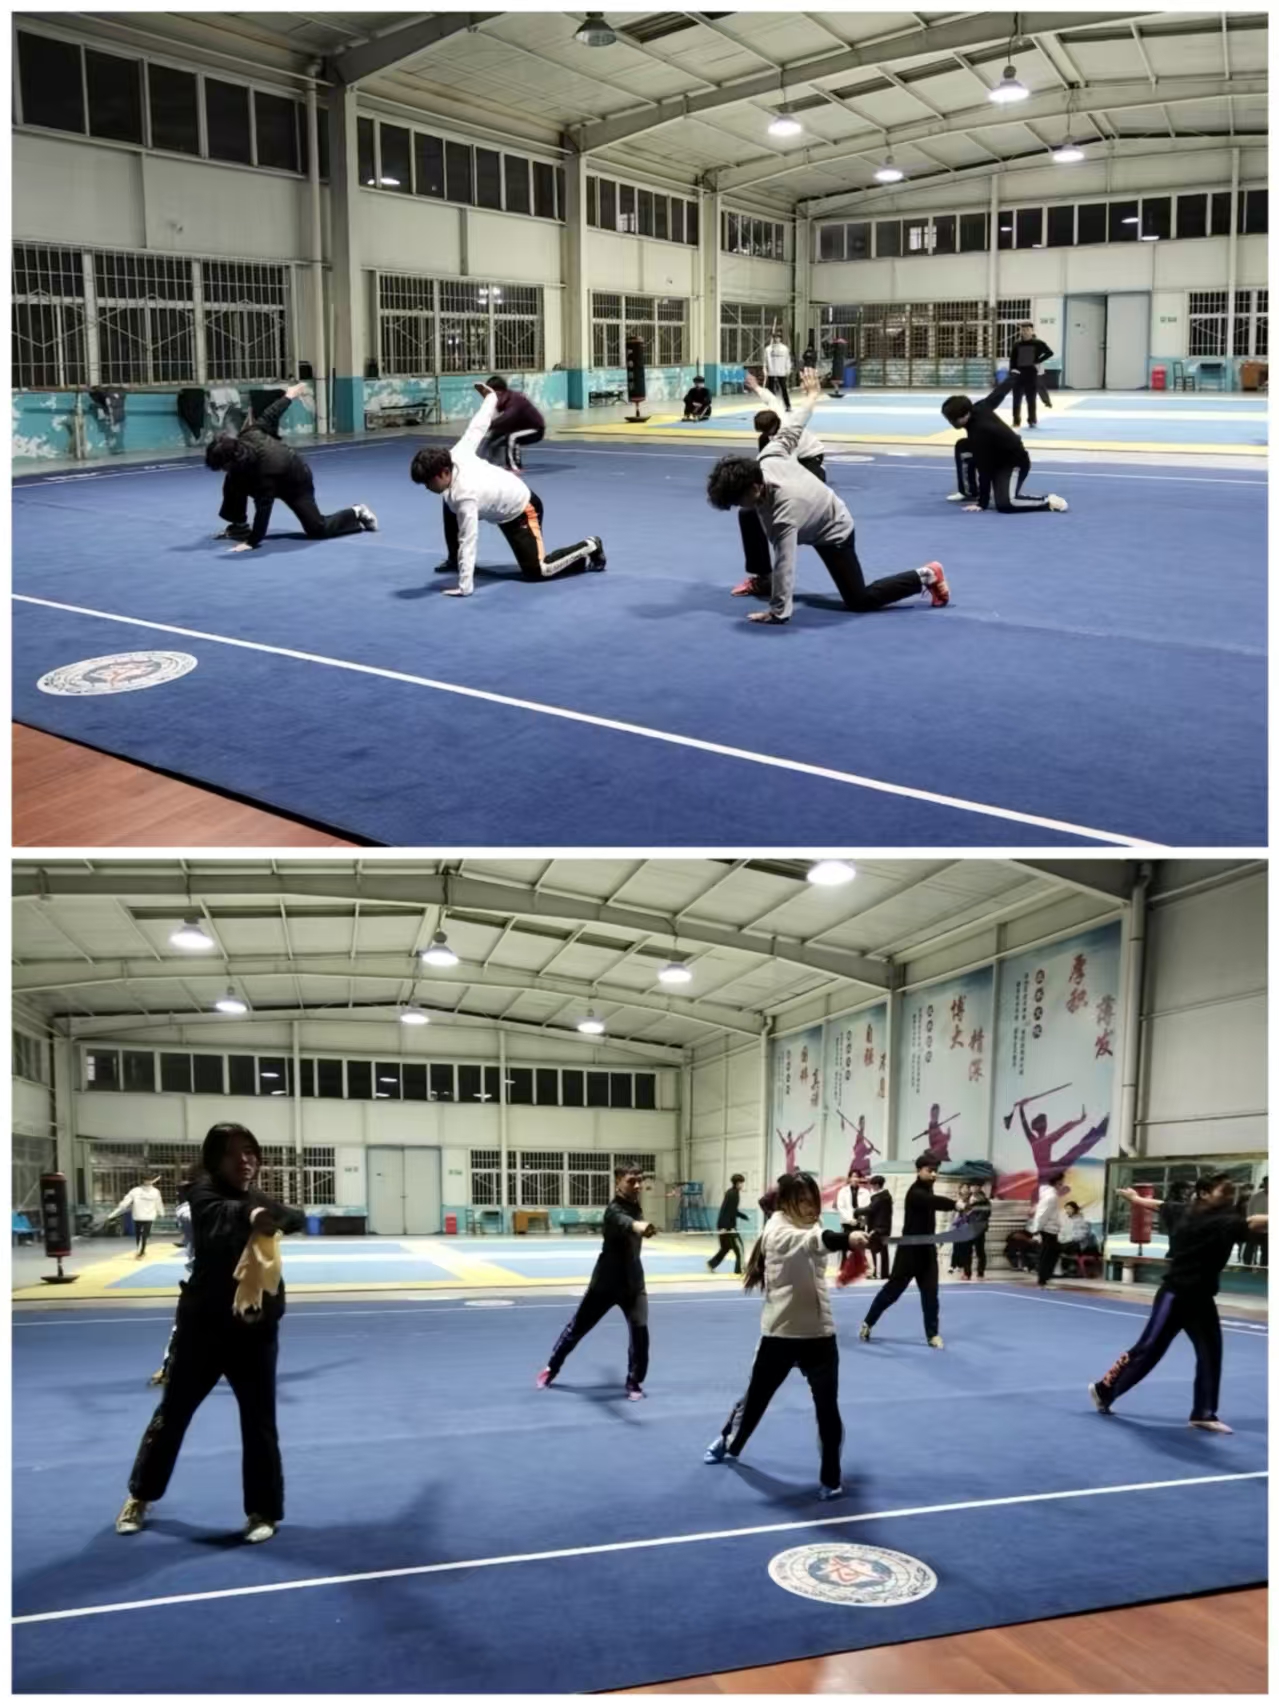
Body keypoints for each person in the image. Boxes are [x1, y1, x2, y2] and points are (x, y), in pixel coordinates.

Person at [115, 1123, 307, 1542]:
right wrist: (255, 1215)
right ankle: (140, 1495)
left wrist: (276, 1215)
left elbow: (295, 1218)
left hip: (254, 1332)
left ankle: (263, 1511)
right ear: (214, 1160)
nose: (245, 1160)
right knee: (172, 1416)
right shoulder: (201, 1196)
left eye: (250, 1151)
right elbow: (223, 1216)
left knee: (259, 1422)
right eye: (234, 1153)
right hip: (203, 1331)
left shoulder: (256, 1197)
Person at [707, 369, 949, 625]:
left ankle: (927, 575)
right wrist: (812, 395)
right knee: (748, 514)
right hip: (808, 508)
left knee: (859, 600)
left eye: (737, 499)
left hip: (832, 529)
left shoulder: (782, 515)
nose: (736, 504)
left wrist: (778, 612)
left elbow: (785, 564)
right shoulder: (770, 454)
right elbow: (795, 424)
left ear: (755, 487)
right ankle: (762, 579)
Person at [704, 1171, 866, 1499]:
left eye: (813, 1200)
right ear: (786, 1203)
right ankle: (729, 1442)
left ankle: (831, 1478)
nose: (811, 1207)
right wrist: (845, 1240)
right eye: (803, 1201)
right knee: (754, 1401)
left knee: (828, 1409)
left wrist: (854, 1242)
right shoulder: (776, 1230)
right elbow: (809, 1242)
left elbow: (817, 1239)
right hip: (780, 1335)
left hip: (820, 1335)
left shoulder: (811, 1226)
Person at [1090, 1175, 1269, 1432]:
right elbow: (1254, 1222)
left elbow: (1158, 1205)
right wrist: (1137, 1199)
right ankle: (1104, 1389)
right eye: (1224, 1191)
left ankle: (1203, 1413)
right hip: (1175, 1296)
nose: (1230, 1195)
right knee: (1147, 1349)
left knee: (1210, 1354)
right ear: (1204, 1193)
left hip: (1202, 1299)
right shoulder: (1219, 1221)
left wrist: (1136, 1199)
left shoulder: (1196, 1213)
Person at [412, 385, 604, 597]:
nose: (427, 487)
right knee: (448, 500)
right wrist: (491, 398)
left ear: (444, 472)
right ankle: (453, 559)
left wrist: (465, 586)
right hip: (495, 503)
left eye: (428, 482)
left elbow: (468, 540)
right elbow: (478, 424)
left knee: (537, 571)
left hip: (521, 509)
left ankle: (590, 546)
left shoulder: (465, 496)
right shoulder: (456, 454)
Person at [206, 383, 376, 549]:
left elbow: (263, 508)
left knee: (317, 529)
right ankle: (239, 526)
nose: (221, 470)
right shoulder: (249, 435)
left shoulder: (265, 472)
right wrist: (288, 396)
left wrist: (251, 542)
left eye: (222, 466)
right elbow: (269, 415)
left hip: (296, 483)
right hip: (269, 472)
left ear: (233, 458)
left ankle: (357, 512)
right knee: (233, 478)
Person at [538, 1164, 656, 1398]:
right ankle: (552, 1368)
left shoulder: (635, 1206)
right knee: (577, 1328)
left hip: (633, 1283)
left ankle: (634, 1381)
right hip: (605, 1284)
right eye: (631, 1181)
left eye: (640, 1180)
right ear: (618, 1181)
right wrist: (639, 1226)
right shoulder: (612, 1211)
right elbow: (624, 1222)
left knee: (640, 1332)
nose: (637, 1185)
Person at [859, 1152, 956, 1347]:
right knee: (891, 1293)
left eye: (936, 1171)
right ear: (919, 1170)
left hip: (927, 1251)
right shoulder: (915, 1193)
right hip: (909, 1253)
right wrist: (955, 1204)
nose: (934, 1174)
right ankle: (868, 1323)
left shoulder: (927, 1189)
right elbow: (933, 1201)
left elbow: (932, 1200)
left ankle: (932, 1335)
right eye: (930, 1170)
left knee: (931, 1296)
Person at [941, 380, 1068, 515]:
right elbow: (997, 394)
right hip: (996, 455)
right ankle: (969, 492)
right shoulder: (980, 407)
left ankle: (1047, 501)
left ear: (966, 414)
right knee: (963, 447)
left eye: (954, 420)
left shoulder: (980, 432)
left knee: (1006, 504)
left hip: (1014, 463)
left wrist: (982, 503)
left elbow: (984, 469)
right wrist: (1013, 377)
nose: (952, 423)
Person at [149, 1164, 199, 1386]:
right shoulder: (186, 1211)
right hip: (202, 1278)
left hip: (235, 1278)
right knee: (184, 1326)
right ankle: (169, 1368)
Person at [476, 376, 545, 470]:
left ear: (498, 392)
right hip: (517, 427)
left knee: (512, 437)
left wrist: (489, 425)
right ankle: (491, 464)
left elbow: (507, 418)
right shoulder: (502, 399)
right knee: (493, 437)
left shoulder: (515, 400)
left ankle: (514, 467)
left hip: (535, 429)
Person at [1008, 322, 1054, 428]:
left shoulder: (1038, 343)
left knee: (1031, 399)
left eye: (1027, 330)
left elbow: (1049, 353)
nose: (1025, 332)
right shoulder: (1017, 344)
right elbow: (1012, 359)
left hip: (1031, 373)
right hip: (1018, 374)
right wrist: (1012, 371)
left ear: (1032, 331)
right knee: (1016, 399)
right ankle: (1016, 421)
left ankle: (1032, 420)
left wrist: (1038, 360)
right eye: (1023, 330)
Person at [107, 1175, 164, 1259]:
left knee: (144, 1235)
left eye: (149, 1180)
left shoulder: (155, 1192)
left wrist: (161, 1212)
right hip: (138, 1215)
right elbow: (126, 1201)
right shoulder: (135, 1191)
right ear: (143, 1180)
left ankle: (141, 1252)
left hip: (149, 1216)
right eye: (146, 1180)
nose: (147, 1182)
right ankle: (140, 1250)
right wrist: (116, 1211)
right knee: (138, 1234)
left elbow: (158, 1202)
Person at [1029, 1169, 1067, 1286]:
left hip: (1050, 1229)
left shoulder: (1049, 1194)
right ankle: (1043, 1279)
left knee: (1052, 1253)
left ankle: (1044, 1278)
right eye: (1062, 1181)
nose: (1063, 1184)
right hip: (1048, 1229)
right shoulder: (1051, 1196)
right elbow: (1042, 1214)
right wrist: (1036, 1230)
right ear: (1058, 1181)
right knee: (1047, 1255)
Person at [708, 1172, 749, 1273]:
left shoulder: (730, 1192)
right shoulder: (733, 1194)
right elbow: (730, 1212)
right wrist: (726, 1228)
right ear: (737, 1183)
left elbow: (730, 1210)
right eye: (741, 1183)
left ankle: (711, 1264)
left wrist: (743, 1216)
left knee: (725, 1248)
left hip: (722, 1225)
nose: (742, 1185)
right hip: (728, 1227)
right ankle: (740, 1270)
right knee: (739, 1248)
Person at [960, 1183, 991, 1280]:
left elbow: (985, 1214)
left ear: (980, 1188)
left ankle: (980, 1273)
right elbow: (962, 1213)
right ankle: (967, 1273)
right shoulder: (966, 1199)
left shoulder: (984, 1200)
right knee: (966, 1252)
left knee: (980, 1252)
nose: (973, 1188)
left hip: (978, 1229)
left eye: (976, 1186)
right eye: (972, 1186)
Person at [865, 1174, 893, 1280]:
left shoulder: (879, 1197)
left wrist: (856, 1211)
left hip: (878, 1228)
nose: (871, 1187)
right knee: (883, 1250)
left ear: (876, 1185)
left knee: (875, 1250)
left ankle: (876, 1273)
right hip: (883, 1228)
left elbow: (870, 1210)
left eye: (872, 1185)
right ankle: (883, 1273)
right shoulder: (886, 1196)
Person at [1242, 1176, 1268, 1267]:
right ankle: (1246, 1265)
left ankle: (1264, 1267)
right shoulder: (1256, 1197)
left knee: (1266, 1251)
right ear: (1264, 1184)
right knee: (1250, 1248)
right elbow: (1249, 1211)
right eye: (1266, 1183)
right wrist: (1250, 1222)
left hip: (1269, 1229)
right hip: (1255, 1227)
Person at [764, 332, 793, 410]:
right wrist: (765, 369)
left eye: (778, 337)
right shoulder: (768, 349)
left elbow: (787, 359)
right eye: (775, 337)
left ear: (780, 338)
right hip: (771, 372)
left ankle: (788, 406)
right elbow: (765, 360)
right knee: (771, 391)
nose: (776, 339)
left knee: (784, 389)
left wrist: (788, 369)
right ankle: (772, 406)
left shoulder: (784, 348)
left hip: (781, 372)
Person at [949, 1183, 973, 1273]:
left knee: (965, 1248)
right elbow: (953, 1214)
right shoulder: (957, 1201)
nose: (965, 1189)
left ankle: (961, 1265)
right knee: (956, 1247)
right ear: (960, 1190)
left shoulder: (971, 1201)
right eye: (963, 1188)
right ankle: (953, 1265)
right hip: (957, 1226)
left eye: (967, 1188)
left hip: (967, 1226)